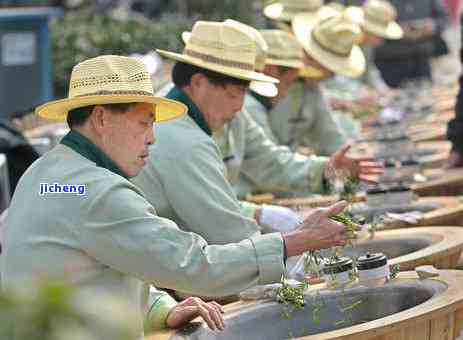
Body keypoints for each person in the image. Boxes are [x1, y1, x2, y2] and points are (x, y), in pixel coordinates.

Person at [1, 54, 351, 338]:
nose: (152, 138)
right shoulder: (96, 192)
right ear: (102, 118)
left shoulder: (48, 177)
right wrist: (294, 242)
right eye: (144, 123)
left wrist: (159, 309)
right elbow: (194, 265)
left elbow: (98, 259)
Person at [373, 0, 449, 87]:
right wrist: (398, 30)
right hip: (391, 60)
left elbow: (444, 19)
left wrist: (433, 26)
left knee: (425, 93)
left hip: (421, 58)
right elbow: (372, 26)